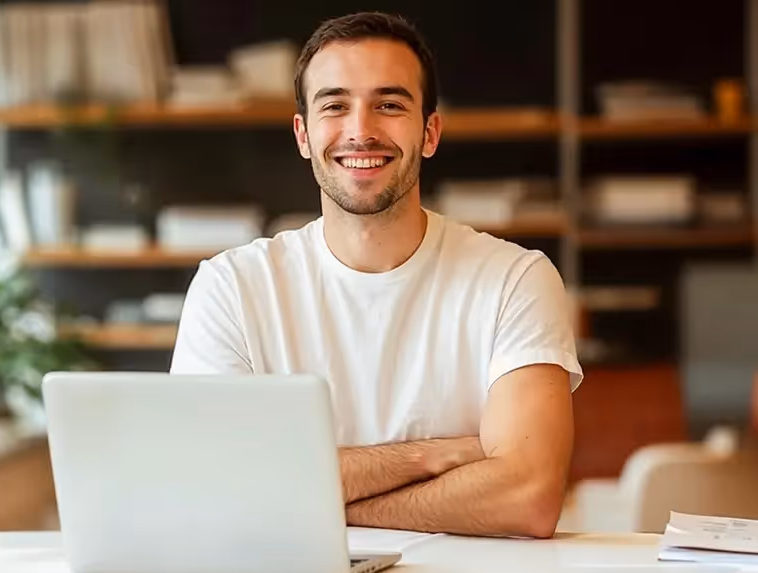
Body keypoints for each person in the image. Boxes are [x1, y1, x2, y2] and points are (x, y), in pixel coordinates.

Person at [170, 11, 582, 539]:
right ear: (303, 134)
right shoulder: (230, 288)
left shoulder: (515, 279)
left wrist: (308, 498)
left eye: (389, 105)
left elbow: (528, 499)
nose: (361, 132)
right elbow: (213, 490)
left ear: (429, 132)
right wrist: (432, 457)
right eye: (335, 106)